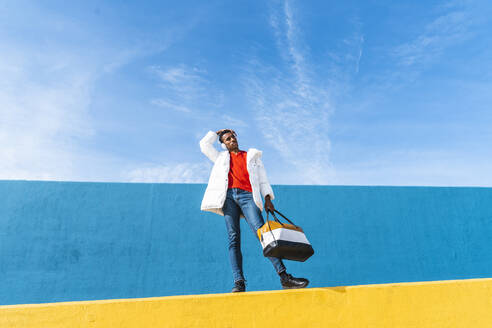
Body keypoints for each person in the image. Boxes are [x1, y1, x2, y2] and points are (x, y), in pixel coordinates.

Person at [199, 129, 309, 292]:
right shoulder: (220, 158)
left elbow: (263, 179)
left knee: (263, 234)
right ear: (223, 144)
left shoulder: (252, 156)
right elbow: (204, 145)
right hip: (228, 197)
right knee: (233, 238)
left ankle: (284, 277)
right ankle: (239, 282)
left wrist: (267, 199)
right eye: (227, 139)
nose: (231, 140)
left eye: (233, 137)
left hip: (247, 196)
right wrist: (218, 132)